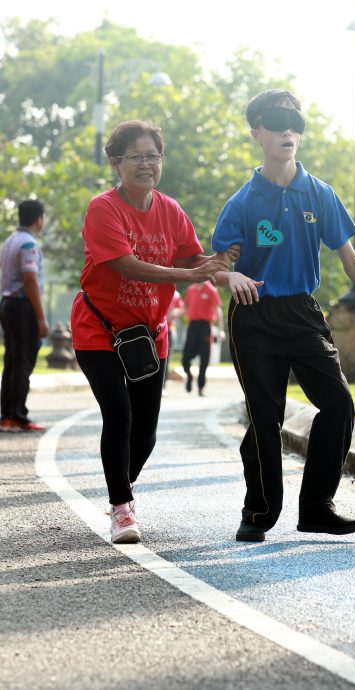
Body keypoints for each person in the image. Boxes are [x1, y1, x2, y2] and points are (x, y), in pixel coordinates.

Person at [212, 89, 355, 543]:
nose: (288, 131)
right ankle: (258, 513)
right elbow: (218, 267)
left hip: (303, 313)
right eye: (278, 122)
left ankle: (317, 507)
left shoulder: (318, 193)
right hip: (254, 315)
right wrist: (231, 279)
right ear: (257, 132)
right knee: (265, 417)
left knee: (339, 404)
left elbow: (351, 261)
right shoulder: (242, 203)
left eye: (295, 123)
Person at [70, 119, 234, 544]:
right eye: (136, 156)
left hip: (150, 333)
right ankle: (122, 510)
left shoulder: (171, 210)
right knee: (119, 413)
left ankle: (118, 486)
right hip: (99, 328)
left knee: (146, 431)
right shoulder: (103, 208)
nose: (147, 164)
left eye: (153, 156)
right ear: (115, 163)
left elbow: (197, 259)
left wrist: (223, 267)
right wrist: (187, 273)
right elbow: (125, 265)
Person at [0, 199, 49, 432]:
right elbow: (30, 279)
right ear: (39, 218)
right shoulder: (28, 243)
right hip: (23, 306)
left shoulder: (10, 241)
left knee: (12, 360)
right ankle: (18, 415)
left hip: (7, 303)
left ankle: (8, 414)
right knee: (23, 361)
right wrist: (41, 317)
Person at [181, 280, 224, 396]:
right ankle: (189, 376)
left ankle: (200, 387)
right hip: (192, 326)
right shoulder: (191, 289)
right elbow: (185, 308)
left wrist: (220, 330)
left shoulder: (211, 290)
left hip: (205, 327)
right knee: (185, 358)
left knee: (204, 359)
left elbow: (218, 310)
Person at [163, 289, 185, 391]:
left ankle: (163, 385)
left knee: (166, 358)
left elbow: (181, 309)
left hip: (169, 329)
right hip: (152, 329)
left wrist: (174, 313)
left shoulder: (176, 294)